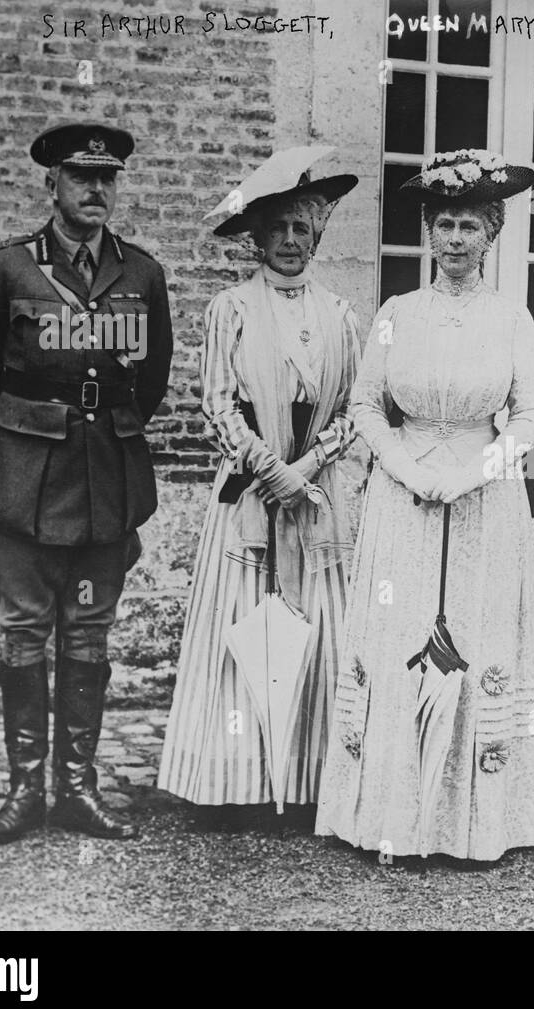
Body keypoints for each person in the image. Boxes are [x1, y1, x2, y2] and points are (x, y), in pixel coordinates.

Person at [315, 149, 534, 862]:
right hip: (402, 496)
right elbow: (364, 402)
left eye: (469, 226)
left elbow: (530, 414)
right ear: (427, 231)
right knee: (399, 638)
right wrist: (406, 466)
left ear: (492, 234)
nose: (454, 239)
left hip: (484, 503)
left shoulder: (513, 318)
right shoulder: (396, 313)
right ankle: (388, 815)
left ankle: (475, 826)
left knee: (473, 641)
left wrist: (478, 469)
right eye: (443, 223)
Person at [0, 122, 173, 845]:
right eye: (82, 177)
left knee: (89, 629)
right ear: (52, 185)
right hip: (22, 484)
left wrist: (100, 429)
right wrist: (14, 443)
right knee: (22, 630)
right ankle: (24, 791)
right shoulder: (8, 269)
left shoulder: (141, 275)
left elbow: (154, 377)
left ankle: (76, 787)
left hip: (106, 481)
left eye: (108, 179)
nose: (97, 189)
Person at [156, 149, 362, 823]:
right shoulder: (231, 308)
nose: (292, 241)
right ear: (257, 235)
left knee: (319, 628)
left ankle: (308, 781)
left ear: (316, 235)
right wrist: (271, 469)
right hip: (250, 493)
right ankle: (235, 783)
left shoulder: (339, 313)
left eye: (303, 228)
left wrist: (306, 469)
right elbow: (216, 405)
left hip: (316, 498)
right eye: (278, 228)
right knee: (242, 626)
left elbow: (358, 410)